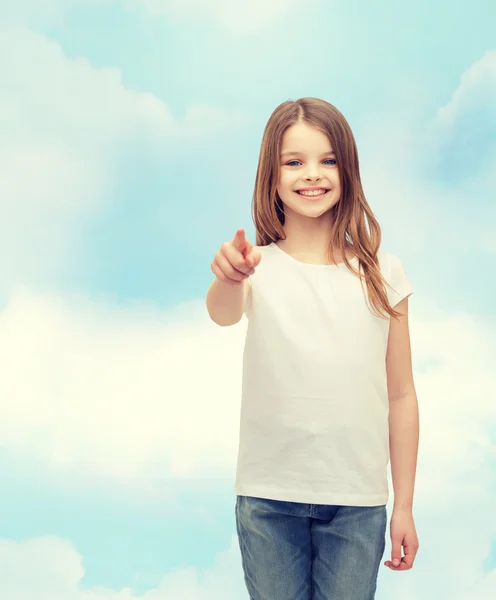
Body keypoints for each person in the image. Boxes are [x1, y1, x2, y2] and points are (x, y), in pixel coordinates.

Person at [206, 97, 420, 600]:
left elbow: (401, 396)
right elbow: (222, 311)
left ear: (348, 169)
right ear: (272, 174)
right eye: (294, 161)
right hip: (267, 498)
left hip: (357, 502)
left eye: (328, 160)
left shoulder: (382, 273)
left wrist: (404, 504)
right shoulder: (254, 265)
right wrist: (228, 274)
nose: (312, 174)